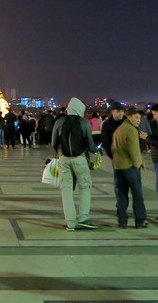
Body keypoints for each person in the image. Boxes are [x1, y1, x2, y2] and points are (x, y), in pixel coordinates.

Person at [51, 97, 98, 230]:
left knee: (66, 190)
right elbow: (90, 144)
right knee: (85, 187)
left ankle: (70, 223)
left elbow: (54, 142)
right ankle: (83, 218)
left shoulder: (59, 121)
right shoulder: (84, 122)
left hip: (63, 159)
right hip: (80, 158)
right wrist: (97, 151)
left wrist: (60, 152)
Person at [111, 104, 148, 229]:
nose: (138, 120)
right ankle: (140, 220)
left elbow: (113, 148)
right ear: (129, 117)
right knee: (137, 194)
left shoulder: (119, 129)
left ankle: (122, 221)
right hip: (129, 167)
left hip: (118, 166)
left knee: (121, 195)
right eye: (136, 117)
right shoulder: (131, 130)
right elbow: (134, 150)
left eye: (140, 118)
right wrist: (139, 164)